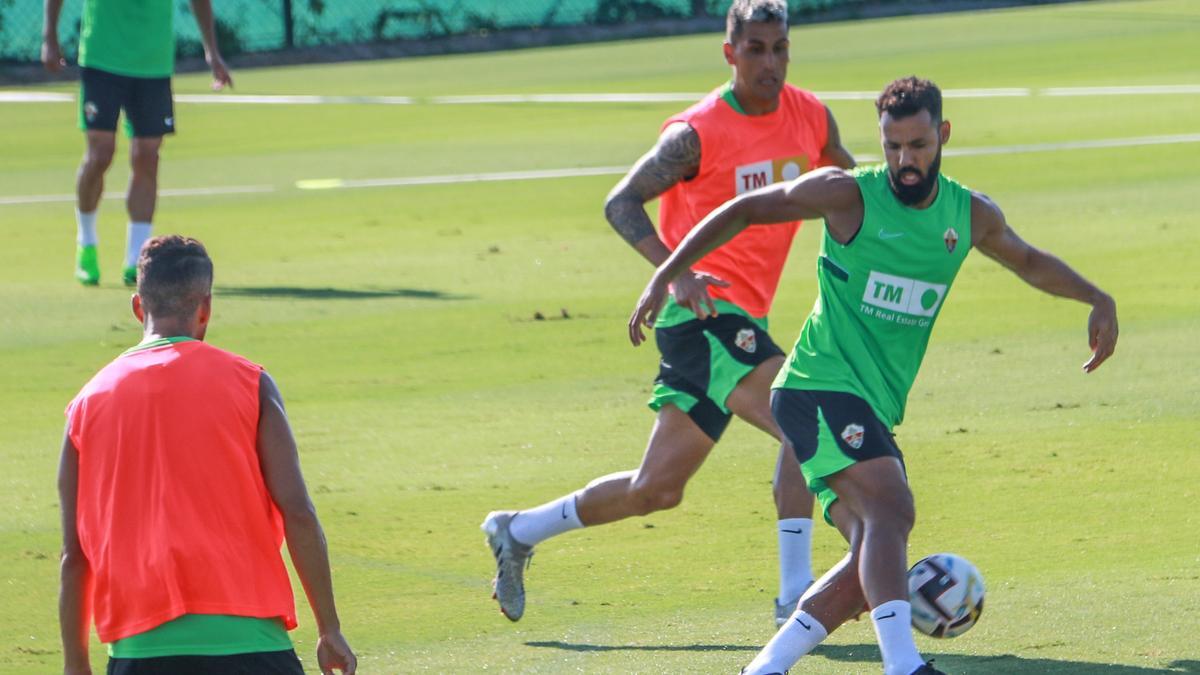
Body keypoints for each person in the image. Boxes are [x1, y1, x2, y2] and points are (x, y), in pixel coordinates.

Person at [628, 76, 1118, 675]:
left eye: (917, 145)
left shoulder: (968, 215)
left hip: (869, 403)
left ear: (942, 135)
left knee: (871, 559)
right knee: (892, 510)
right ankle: (904, 666)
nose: (904, 161)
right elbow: (747, 208)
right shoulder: (849, 196)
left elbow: (1028, 260)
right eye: (892, 147)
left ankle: (764, 669)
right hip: (816, 386)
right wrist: (666, 273)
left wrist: (1096, 297)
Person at [482, 0, 855, 625]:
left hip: (742, 322)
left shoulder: (811, 116)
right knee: (803, 416)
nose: (770, 62)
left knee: (657, 488)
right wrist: (676, 272)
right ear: (729, 52)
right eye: (756, 49)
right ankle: (797, 595)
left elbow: (843, 173)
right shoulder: (697, 133)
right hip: (700, 315)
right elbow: (621, 202)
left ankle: (518, 531)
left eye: (780, 47)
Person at [58, 236, 356, 675]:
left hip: (139, 654)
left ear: (138, 307)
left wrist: (75, 662)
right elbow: (298, 512)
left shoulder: (86, 405)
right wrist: (329, 629)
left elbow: (75, 553)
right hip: (252, 647)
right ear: (206, 308)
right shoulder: (249, 383)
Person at [42, 0, 233, 287]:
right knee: (100, 154)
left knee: (147, 156)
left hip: (153, 64)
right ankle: (87, 242)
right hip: (101, 58)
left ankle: (137, 259)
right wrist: (49, 36)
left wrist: (212, 52)